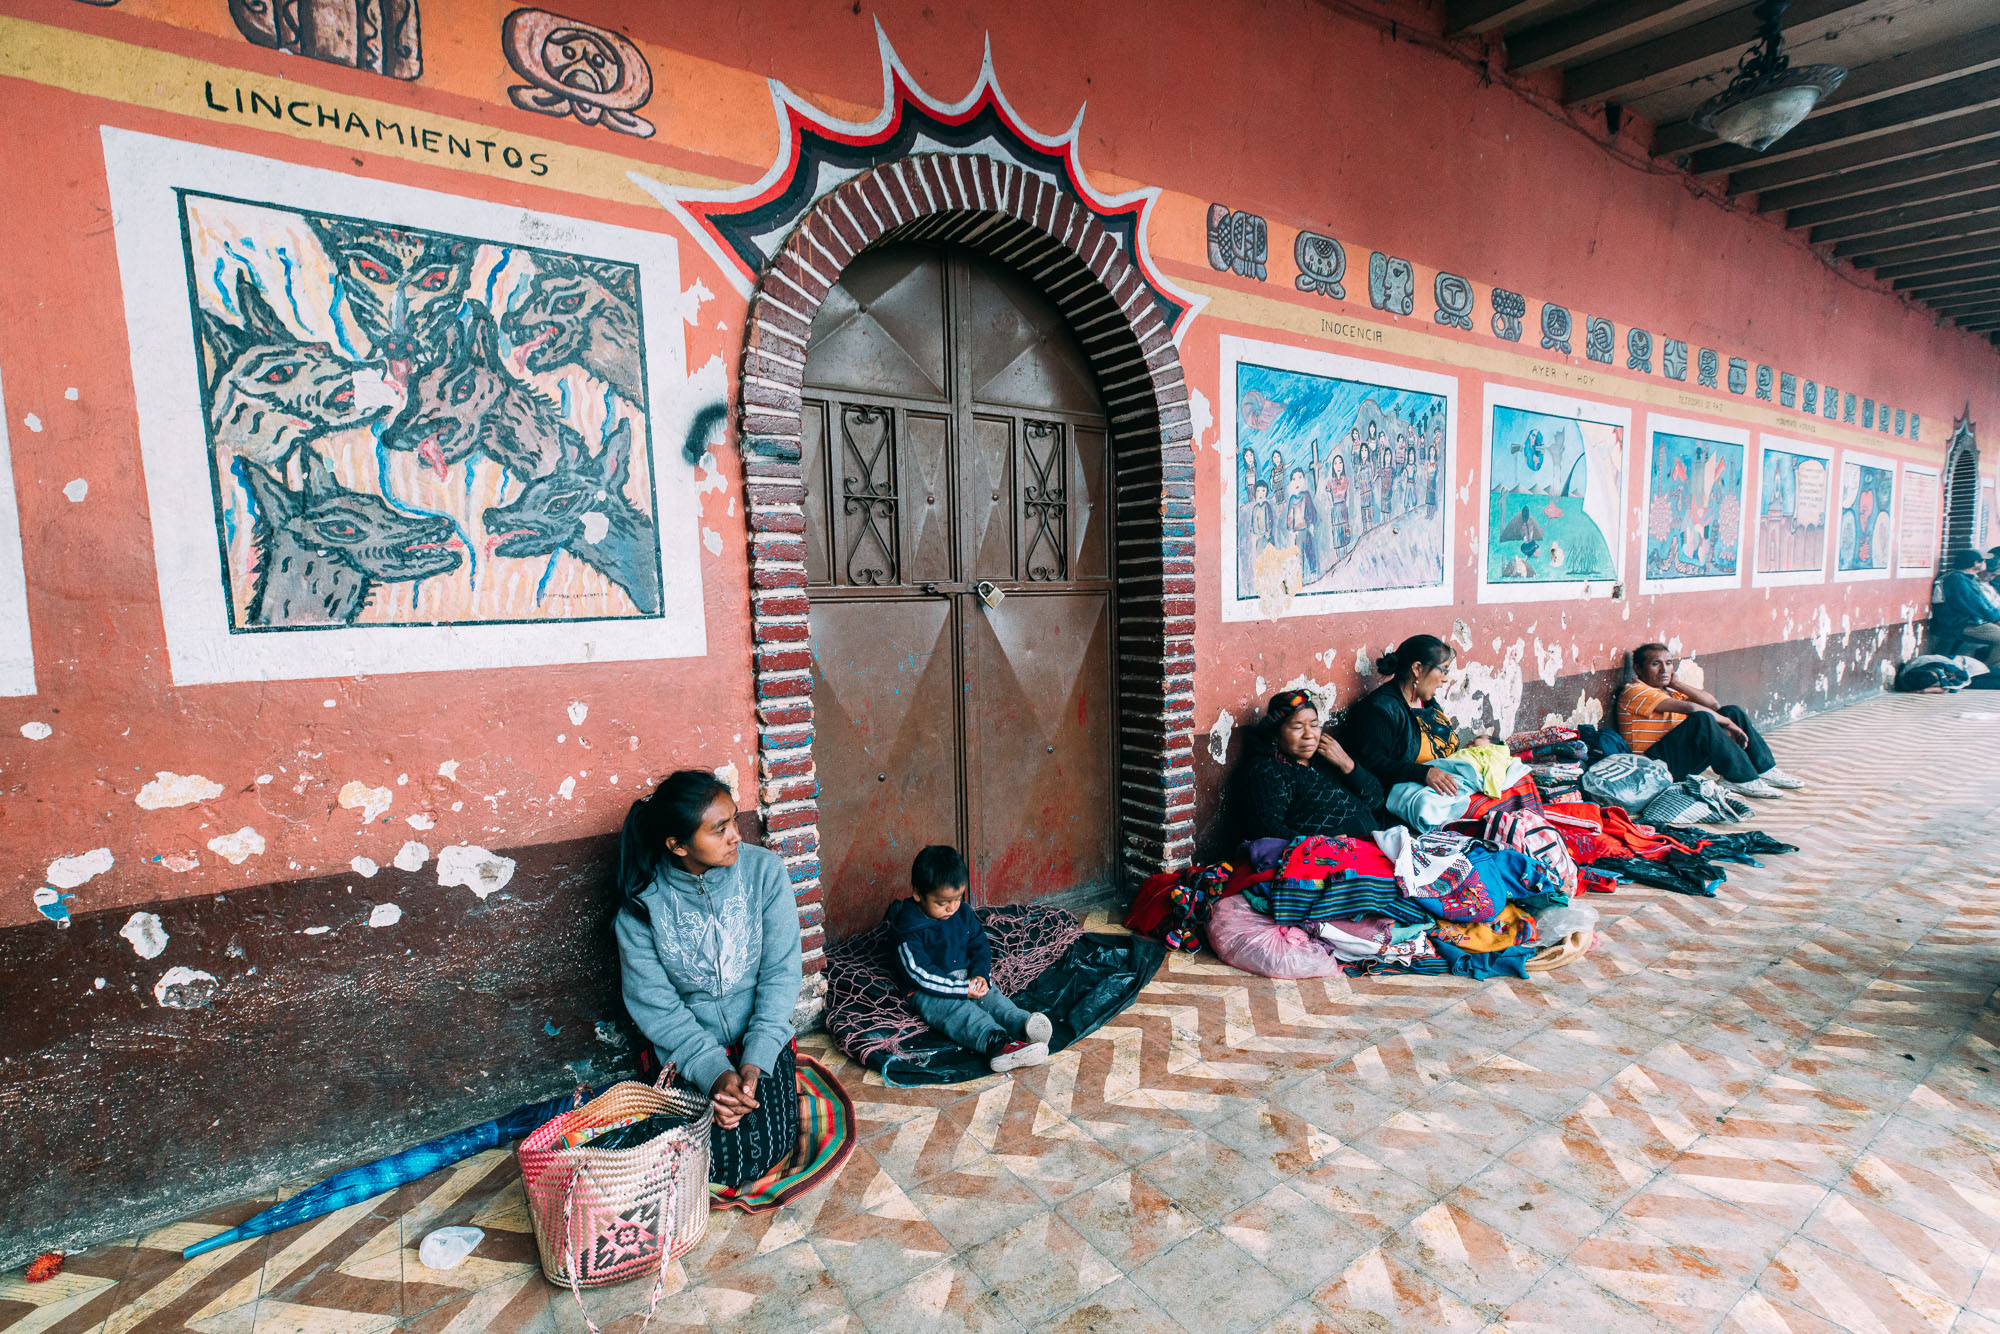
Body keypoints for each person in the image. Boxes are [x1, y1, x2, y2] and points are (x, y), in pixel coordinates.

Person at [614, 771, 803, 1188]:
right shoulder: (641, 909)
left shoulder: (765, 874)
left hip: (761, 1035)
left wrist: (753, 1064)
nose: (736, 835)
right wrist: (715, 1073)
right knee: (716, 1165)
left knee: (767, 1148)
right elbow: (657, 1006)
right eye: (719, 830)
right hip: (687, 1048)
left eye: (734, 820)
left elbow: (781, 974)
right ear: (677, 845)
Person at [885, 846, 1051, 1073]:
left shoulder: (961, 912)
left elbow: (979, 945)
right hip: (929, 990)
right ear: (918, 894)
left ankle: (1022, 1025)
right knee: (959, 1012)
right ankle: (998, 1045)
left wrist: (981, 975)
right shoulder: (908, 928)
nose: (951, 908)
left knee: (992, 998)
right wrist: (961, 989)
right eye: (942, 903)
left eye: (957, 899)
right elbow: (919, 973)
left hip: (965, 978)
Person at [1617, 644, 1805, 797]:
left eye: (1668, 663)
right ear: (1638, 668)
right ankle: (1739, 779)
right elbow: (1692, 709)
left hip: (1677, 759)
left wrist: (1676, 683)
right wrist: (1730, 726)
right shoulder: (1635, 691)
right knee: (1702, 719)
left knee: (1731, 711)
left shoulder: (1670, 691)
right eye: (1655, 664)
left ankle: (1764, 769)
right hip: (1654, 766)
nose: (1664, 669)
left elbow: (1713, 704)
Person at [1231, 688, 1382, 842]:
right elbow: (1266, 829)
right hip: (1327, 857)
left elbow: (1376, 800)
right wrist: (1318, 842)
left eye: (1314, 725)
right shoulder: (1268, 770)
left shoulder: (1326, 757)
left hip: (1369, 843)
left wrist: (1347, 764)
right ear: (1275, 735)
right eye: (1297, 727)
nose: (1309, 735)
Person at [1336, 634, 1464, 798]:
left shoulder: (1428, 702)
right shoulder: (1379, 710)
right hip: (1408, 800)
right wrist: (1422, 773)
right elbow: (1371, 764)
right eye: (1443, 670)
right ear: (1417, 668)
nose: (1445, 679)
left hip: (1446, 790)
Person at [1934, 549, 2000, 667]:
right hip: (1960, 623)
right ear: (1976, 563)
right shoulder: (1957, 580)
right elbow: (1978, 606)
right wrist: (1995, 616)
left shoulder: (1965, 578)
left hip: (1969, 621)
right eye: (1983, 560)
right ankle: (1991, 670)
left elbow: (1982, 603)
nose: (1986, 563)